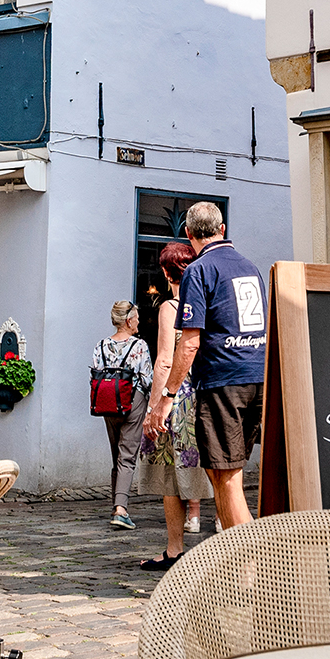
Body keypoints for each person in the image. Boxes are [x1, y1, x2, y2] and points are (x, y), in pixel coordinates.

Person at [152, 201, 267, 536]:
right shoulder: (249, 267)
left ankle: (254, 558)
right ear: (222, 229)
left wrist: (167, 396)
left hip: (223, 382)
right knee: (226, 475)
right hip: (258, 376)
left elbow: (189, 343)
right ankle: (236, 554)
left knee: (226, 479)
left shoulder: (199, 270)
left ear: (188, 233)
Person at [136, 242, 212, 569]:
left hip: (178, 399)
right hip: (207, 394)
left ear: (167, 275)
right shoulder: (207, 301)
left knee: (170, 475)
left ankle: (174, 549)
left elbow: (165, 360)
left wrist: (155, 407)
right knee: (216, 472)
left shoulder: (171, 306)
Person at [94, 301, 154, 531]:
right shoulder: (139, 346)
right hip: (132, 401)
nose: (139, 321)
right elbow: (147, 379)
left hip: (108, 402)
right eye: (136, 317)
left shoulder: (101, 345)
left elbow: (95, 371)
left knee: (116, 455)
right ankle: (121, 510)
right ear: (128, 321)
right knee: (127, 456)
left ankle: (116, 505)